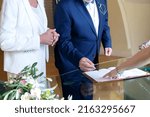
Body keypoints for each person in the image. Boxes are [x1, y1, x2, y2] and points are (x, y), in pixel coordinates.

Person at [54, 0, 112, 100]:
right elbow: (63, 41)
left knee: (88, 98)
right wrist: (79, 59)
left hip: (91, 63)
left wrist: (107, 42)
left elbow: (104, 22)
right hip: (70, 65)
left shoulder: (102, 1)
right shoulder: (64, 5)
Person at [0, 0, 59, 89]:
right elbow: (5, 42)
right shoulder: (11, 1)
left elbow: (34, 27)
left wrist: (49, 33)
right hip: (20, 72)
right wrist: (39, 39)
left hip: (40, 66)